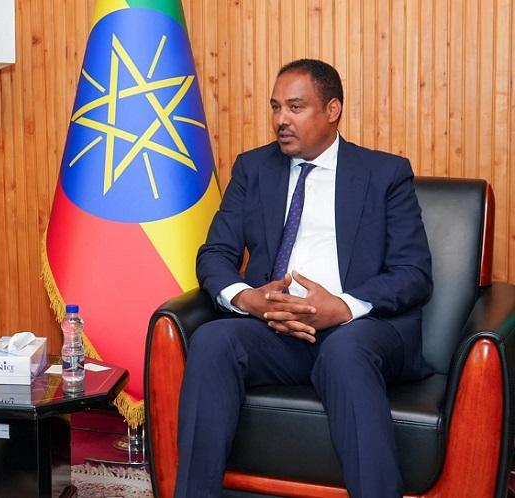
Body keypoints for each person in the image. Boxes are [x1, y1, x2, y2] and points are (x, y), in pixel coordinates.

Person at [174, 59, 432, 497]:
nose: (281, 120)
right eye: (276, 107)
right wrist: (249, 299)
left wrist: (342, 308)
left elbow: (413, 273)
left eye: (295, 107)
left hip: (360, 330)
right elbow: (215, 253)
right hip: (277, 331)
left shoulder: (384, 174)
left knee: (345, 352)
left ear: (332, 110)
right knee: (213, 340)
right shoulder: (253, 169)